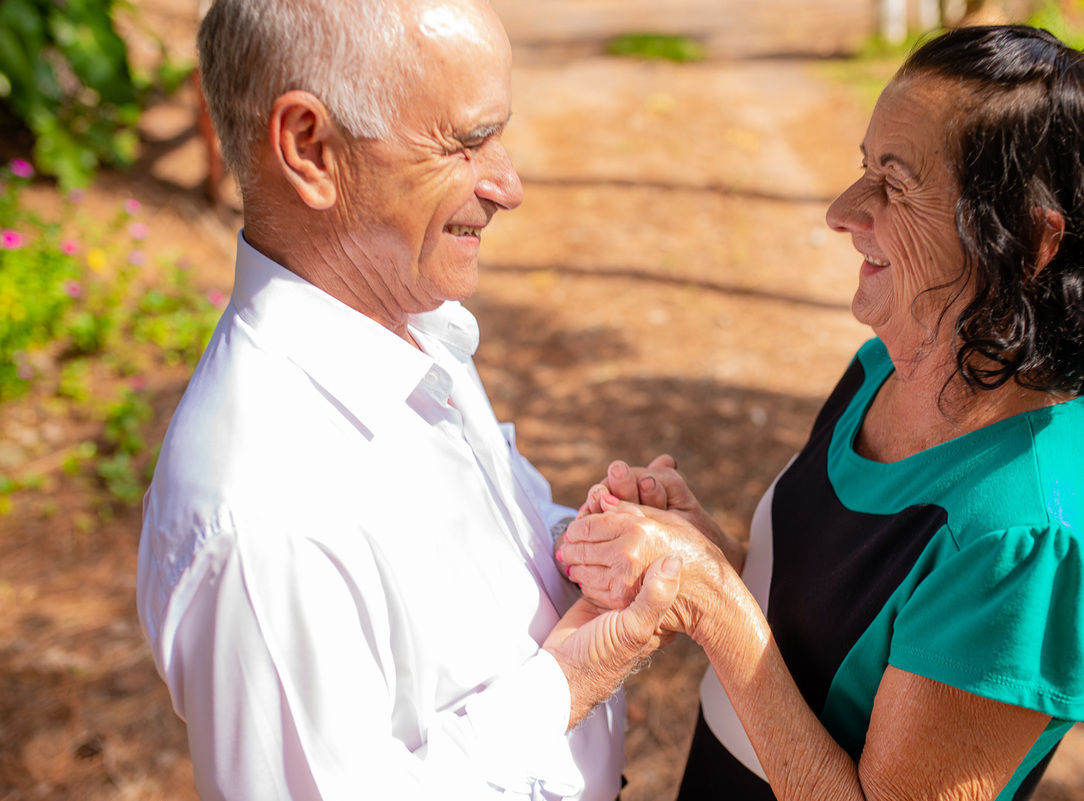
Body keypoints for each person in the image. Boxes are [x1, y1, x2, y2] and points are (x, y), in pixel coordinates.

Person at [559, 25, 1084, 801]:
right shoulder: (891, 361)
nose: (843, 211)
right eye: (863, 166)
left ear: (1027, 238)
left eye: (897, 182)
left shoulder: (1036, 537)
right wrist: (698, 552)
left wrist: (714, 601)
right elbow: (833, 633)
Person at [135, 0, 679, 798]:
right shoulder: (267, 521)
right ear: (310, 149)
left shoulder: (410, 325)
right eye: (464, 141)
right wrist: (576, 672)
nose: (508, 185)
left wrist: (588, 543)